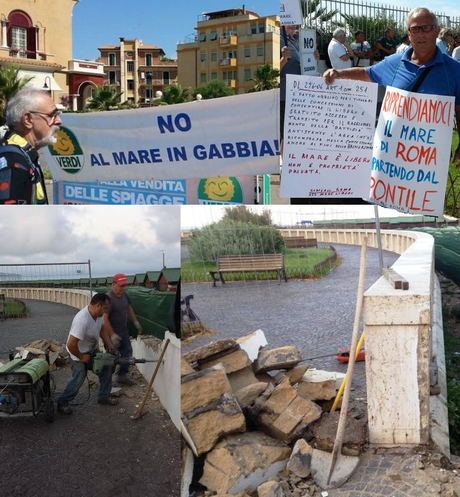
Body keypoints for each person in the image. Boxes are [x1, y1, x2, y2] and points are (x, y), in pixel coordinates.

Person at [323, 7, 460, 168]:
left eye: (427, 27)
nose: (421, 33)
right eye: (415, 29)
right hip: (392, 156)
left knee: (429, 194)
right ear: (409, 34)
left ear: (436, 31)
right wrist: (338, 73)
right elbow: (366, 73)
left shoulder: (454, 69)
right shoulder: (394, 63)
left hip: (431, 159)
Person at [57, 293, 118, 414]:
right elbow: (71, 345)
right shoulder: (82, 320)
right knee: (79, 377)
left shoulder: (99, 315)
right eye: (105, 308)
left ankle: (103, 397)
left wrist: (109, 344)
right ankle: (62, 403)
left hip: (91, 350)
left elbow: (101, 329)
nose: (106, 311)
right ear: (98, 305)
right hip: (77, 353)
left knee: (106, 367)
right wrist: (82, 357)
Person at [0, 88, 62, 204]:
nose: (59, 121)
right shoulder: (14, 164)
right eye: (52, 115)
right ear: (28, 120)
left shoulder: (22, 155)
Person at [103, 274, 142, 386]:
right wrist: (112, 335)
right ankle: (106, 380)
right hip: (112, 333)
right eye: (120, 286)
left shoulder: (125, 295)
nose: (122, 288)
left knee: (127, 353)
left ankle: (121, 376)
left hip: (123, 331)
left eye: (124, 285)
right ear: (113, 284)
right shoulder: (109, 299)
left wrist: (135, 322)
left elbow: (128, 308)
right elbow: (104, 318)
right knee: (111, 357)